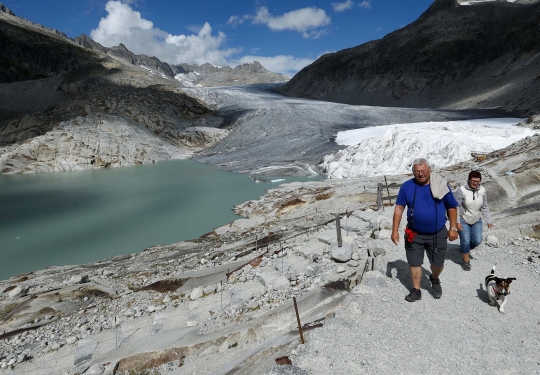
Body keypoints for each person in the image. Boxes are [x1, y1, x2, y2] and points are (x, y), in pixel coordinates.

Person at [391, 158, 459, 302]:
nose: (420, 174)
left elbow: (451, 207)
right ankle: (416, 290)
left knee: (438, 264)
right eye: (417, 172)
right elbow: (399, 208)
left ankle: (434, 279)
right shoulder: (407, 187)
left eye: (423, 171)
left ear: (429, 171)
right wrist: (394, 230)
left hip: (438, 233)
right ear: (413, 173)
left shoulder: (440, 185)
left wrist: (453, 227)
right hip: (414, 233)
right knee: (414, 262)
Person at [454, 170, 493, 271]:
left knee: (477, 240)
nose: (475, 183)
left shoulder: (482, 190)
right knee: (466, 240)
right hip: (463, 219)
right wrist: (457, 221)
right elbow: (456, 206)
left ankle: (464, 249)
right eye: (473, 180)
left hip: (476, 219)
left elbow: (484, 206)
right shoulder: (461, 190)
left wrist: (488, 220)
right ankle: (466, 262)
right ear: (469, 180)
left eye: (477, 181)